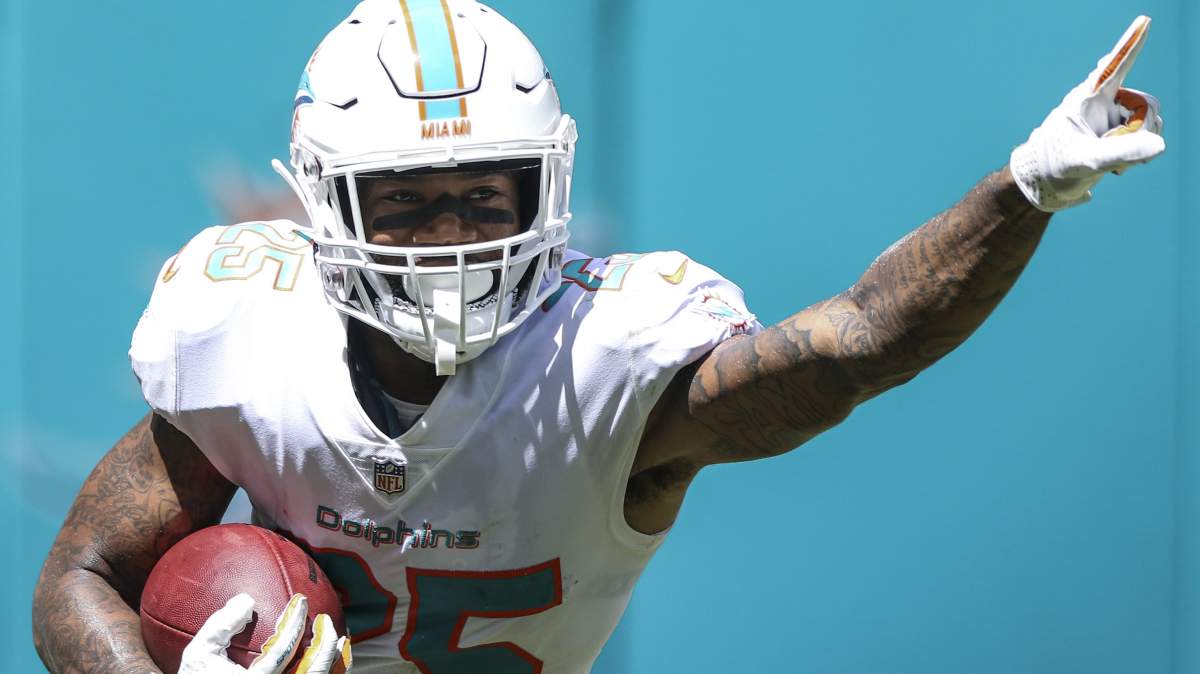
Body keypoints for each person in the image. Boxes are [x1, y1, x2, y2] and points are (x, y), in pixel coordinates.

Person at [32, 1, 1165, 672]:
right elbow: (79, 578)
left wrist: (1024, 187)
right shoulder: (249, 339)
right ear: (326, 204)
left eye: (486, 197)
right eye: (408, 202)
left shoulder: (602, 365)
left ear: (549, 188)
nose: (451, 241)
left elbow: (856, 342)